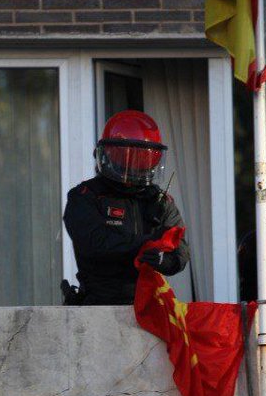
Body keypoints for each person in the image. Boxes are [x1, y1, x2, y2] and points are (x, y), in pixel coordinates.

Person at [63, 110, 189, 305]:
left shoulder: (161, 201)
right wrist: (146, 243)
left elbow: (180, 248)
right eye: (127, 156)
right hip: (98, 305)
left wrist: (164, 260)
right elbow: (94, 244)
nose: (134, 165)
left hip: (149, 306)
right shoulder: (86, 196)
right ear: (109, 154)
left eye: (142, 157)